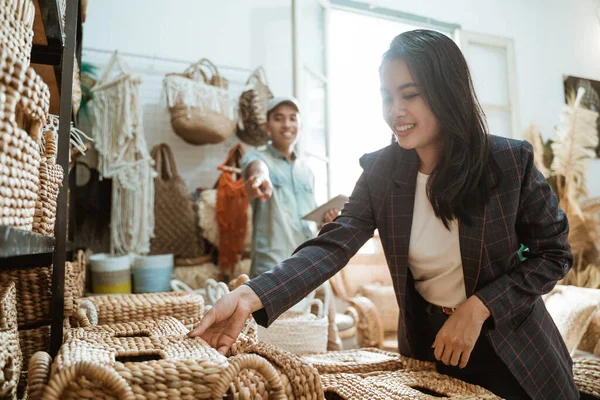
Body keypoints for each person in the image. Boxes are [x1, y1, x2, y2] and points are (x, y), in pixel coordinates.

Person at [190, 30, 577, 400]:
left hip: (516, 350)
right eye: (386, 97)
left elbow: (554, 253)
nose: (395, 112)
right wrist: (248, 295)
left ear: (448, 93)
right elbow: (331, 246)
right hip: (432, 352)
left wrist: (480, 307)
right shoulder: (381, 172)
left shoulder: (508, 162)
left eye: (409, 95)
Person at [240, 96, 341, 350]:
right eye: (278, 118)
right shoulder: (257, 158)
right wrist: (260, 179)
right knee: (278, 344)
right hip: (272, 265)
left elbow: (309, 220)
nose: (287, 124)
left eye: (292, 118)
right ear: (267, 127)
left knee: (327, 341)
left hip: (310, 262)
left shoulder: (306, 170)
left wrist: (326, 222)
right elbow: (256, 169)